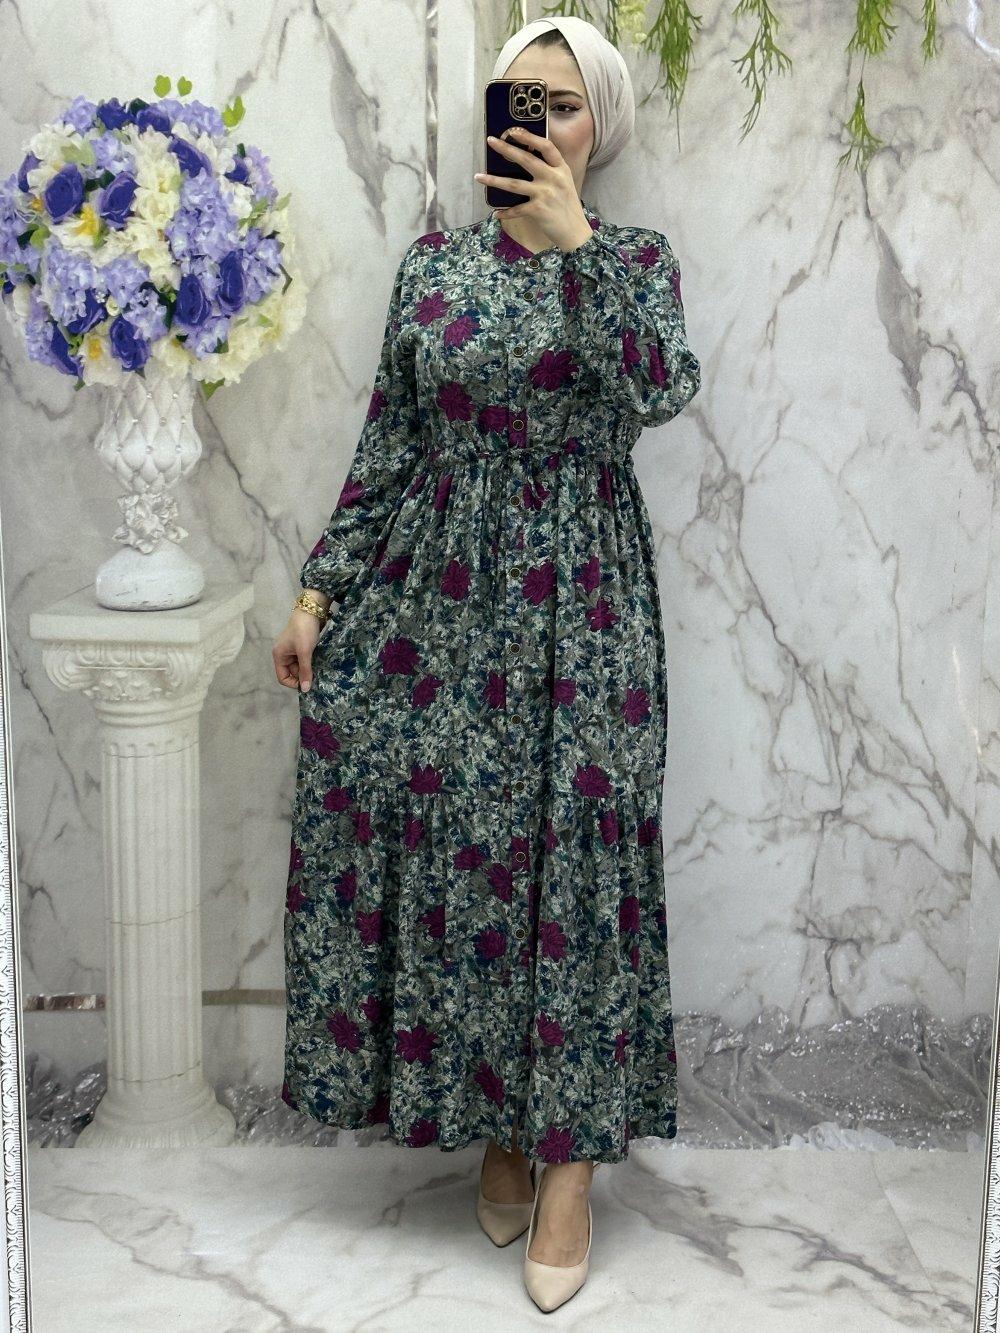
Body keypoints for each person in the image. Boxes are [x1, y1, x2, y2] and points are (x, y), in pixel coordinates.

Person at [272, 15, 701, 1313]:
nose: (541, 122)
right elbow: (391, 444)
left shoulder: (634, 259)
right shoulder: (434, 270)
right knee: (473, 866)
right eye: (521, 99)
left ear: (600, 130)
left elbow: (662, 386)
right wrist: (319, 590)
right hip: (441, 611)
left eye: (566, 105)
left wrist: (576, 247)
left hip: (587, 608)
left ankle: (570, 1170)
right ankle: (499, 1123)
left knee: (580, 863)